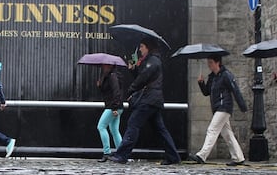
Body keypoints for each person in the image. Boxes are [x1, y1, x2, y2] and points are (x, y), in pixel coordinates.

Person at [110, 37, 181, 165]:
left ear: (148, 47)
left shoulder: (153, 61)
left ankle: (121, 155)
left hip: (148, 99)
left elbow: (143, 78)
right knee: (160, 130)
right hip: (152, 100)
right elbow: (142, 76)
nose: (140, 49)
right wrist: (133, 70)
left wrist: (131, 89)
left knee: (133, 124)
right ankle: (173, 157)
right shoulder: (149, 61)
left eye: (142, 47)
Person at [185, 56, 248, 166]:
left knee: (212, 129)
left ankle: (202, 155)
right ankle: (238, 157)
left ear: (217, 63)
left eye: (211, 62)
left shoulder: (226, 75)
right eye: (208, 63)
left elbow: (235, 90)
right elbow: (206, 92)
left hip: (224, 107)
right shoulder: (212, 77)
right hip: (217, 108)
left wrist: (242, 106)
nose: (209, 65)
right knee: (227, 134)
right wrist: (201, 83)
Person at [96, 64, 124, 162]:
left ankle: (106, 153)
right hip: (116, 106)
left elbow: (116, 92)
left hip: (112, 107)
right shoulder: (112, 76)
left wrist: (114, 107)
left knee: (101, 126)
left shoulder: (112, 76)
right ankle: (122, 153)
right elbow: (110, 92)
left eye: (105, 65)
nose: (103, 67)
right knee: (115, 130)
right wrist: (100, 86)